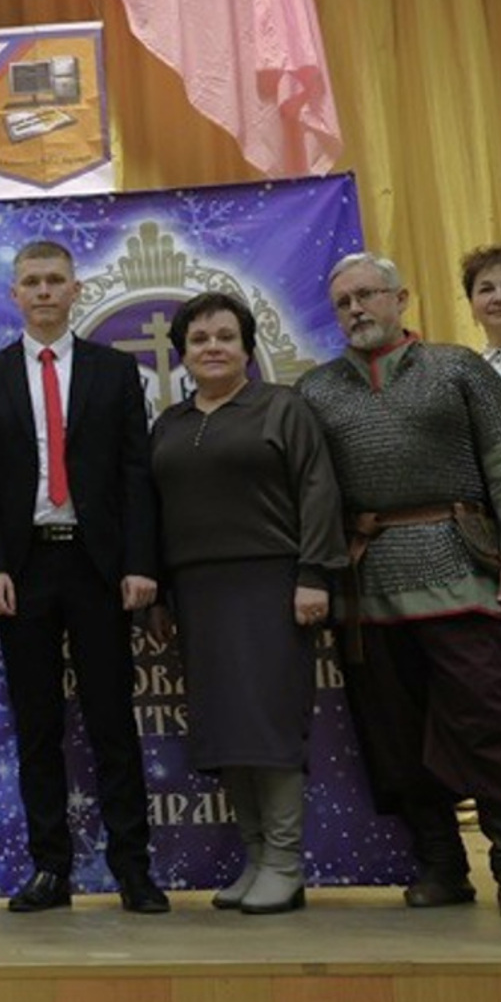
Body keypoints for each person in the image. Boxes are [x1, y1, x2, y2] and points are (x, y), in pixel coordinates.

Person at [297, 251, 501, 920]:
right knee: (394, 734)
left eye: (368, 295)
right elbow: (310, 491)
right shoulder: (316, 390)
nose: (357, 309)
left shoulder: (459, 368)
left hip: (461, 567)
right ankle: (440, 864)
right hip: (368, 584)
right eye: (344, 302)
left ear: (401, 298)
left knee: (490, 721)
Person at [0, 240, 168, 914]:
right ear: (15, 295)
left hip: (97, 566)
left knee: (112, 720)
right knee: (38, 725)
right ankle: (50, 868)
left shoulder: (115, 371)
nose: (44, 291)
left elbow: (137, 474)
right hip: (24, 570)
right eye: (32, 282)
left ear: (76, 290)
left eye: (55, 280)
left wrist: (139, 563)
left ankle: (133, 868)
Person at [149, 293, 346, 915]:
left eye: (225, 336)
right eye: (200, 338)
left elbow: (318, 491)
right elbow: (154, 512)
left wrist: (314, 574)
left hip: (270, 584)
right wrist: (159, 593)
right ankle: (257, 856)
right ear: (182, 353)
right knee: (224, 726)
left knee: (268, 720)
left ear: (247, 347)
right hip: (197, 593)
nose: (212, 347)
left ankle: (285, 863)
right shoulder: (169, 423)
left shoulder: (282, 408)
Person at [460, 243, 501, 685]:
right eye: (486, 289)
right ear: (471, 305)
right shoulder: (466, 370)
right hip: (488, 546)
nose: (499, 297)